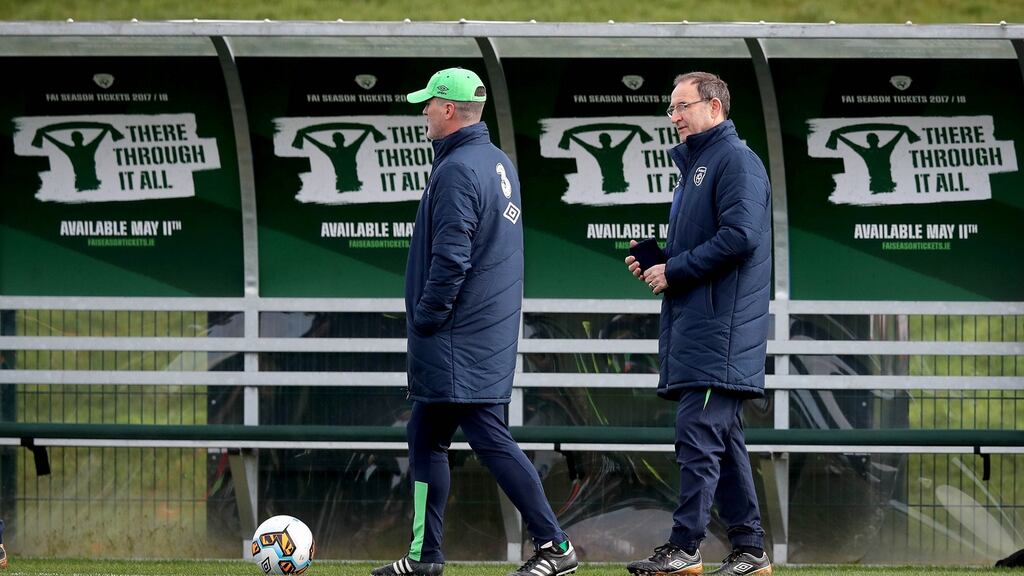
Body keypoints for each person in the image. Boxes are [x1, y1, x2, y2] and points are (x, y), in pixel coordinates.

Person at [371, 67, 578, 576]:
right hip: (479, 331)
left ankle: (555, 546)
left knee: (487, 436)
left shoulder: (457, 169)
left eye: (427, 104)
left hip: (456, 336)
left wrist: (425, 318)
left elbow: (451, 260)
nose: (422, 112)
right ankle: (424, 556)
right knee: (425, 437)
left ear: (447, 109)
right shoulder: (496, 161)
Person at [623, 72, 773, 576]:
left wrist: (677, 268)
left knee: (697, 435)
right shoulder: (698, 166)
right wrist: (661, 260)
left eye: (682, 106)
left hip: (721, 331)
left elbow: (741, 238)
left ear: (714, 107)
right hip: (703, 326)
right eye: (671, 108)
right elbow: (713, 244)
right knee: (722, 443)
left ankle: (685, 547)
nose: (675, 117)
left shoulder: (735, 161)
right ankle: (749, 551)